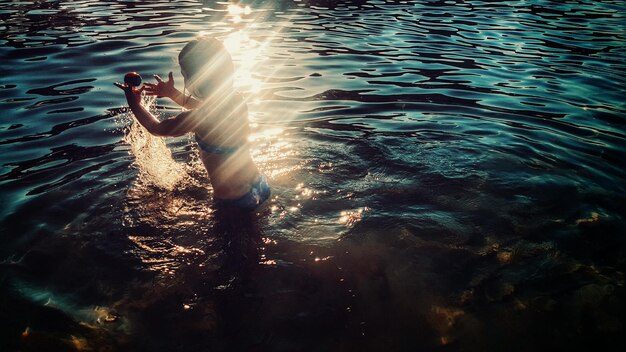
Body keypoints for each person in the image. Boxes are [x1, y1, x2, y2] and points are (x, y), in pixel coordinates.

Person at [115, 37, 270, 211]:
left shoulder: (201, 117)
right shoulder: (235, 100)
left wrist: (135, 104)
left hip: (235, 200)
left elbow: (156, 128)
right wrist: (172, 93)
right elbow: (205, 109)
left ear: (196, 80)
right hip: (260, 185)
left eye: (184, 75)